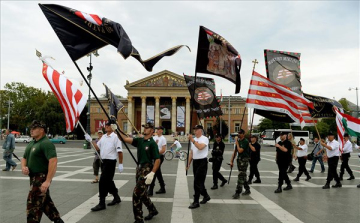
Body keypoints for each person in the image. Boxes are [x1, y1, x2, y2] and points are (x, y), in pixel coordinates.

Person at [114, 122, 160, 223]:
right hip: (139, 169)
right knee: (142, 193)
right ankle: (152, 210)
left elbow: (157, 160)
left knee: (136, 194)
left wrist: (152, 173)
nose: (145, 129)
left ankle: (138, 219)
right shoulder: (140, 140)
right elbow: (124, 139)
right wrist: (116, 129)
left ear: (152, 131)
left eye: (147, 128)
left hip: (147, 169)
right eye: (144, 127)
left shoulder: (152, 143)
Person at [21, 120, 64, 223]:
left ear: (41, 130)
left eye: (34, 128)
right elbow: (24, 158)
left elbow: (53, 161)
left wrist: (48, 181)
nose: (31, 130)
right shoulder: (32, 143)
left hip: (41, 177)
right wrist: (24, 167)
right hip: (33, 177)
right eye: (31, 128)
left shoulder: (46, 143)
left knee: (33, 204)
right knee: (45, 202)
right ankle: (57, 220)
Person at [85, 121, 123, 211]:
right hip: (103, 161)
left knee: (102, 182)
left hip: (110, 162)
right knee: (109, 181)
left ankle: (102, 203)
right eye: (106, 125)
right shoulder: (104, 137)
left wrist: (120, 164)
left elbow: (120, 152)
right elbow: (97, 147)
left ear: (113, 127)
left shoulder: (115, 137)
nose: (106, 126)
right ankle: (116, 197)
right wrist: (91, 140)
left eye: (108, 125)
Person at [186, 125, 211, 209]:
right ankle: (206, 196)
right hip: (195, 162)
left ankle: (196, 201)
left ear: (200, 130)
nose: (195, 131)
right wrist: (188, 163)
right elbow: (191, 153)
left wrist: (192, 140)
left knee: (196, 182)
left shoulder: (204, 139)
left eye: (196, 130)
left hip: (202, 162)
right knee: (199, 182)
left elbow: (200, 147)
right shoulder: (195, 140)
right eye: (194, 130)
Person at [230, 129, 251, 198]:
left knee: (241, 175)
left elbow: (240, 150)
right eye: (238, 133)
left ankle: (238, 192)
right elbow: (235, 152)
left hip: (244, 160)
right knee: (243, 175)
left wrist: (237, 142)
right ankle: (247, 189)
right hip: (239, 160)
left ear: (243, 134)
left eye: (240, 133)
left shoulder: (245, 141)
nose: (239, 135)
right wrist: (231, 161)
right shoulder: (239, 141)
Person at [148, 126, 167, 196]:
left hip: (159, 157)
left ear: (162, 130)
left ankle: (150, 189)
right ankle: (162, 187)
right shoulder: (154, 137)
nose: (158, 131)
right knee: (158, 171)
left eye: (159, 130)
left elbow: (163, 150)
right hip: (154, 157)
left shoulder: (163, 139)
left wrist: (155, 153)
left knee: (154, 171)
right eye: (157, 129)